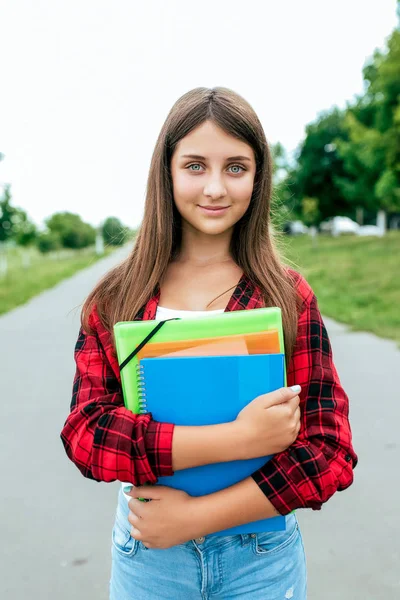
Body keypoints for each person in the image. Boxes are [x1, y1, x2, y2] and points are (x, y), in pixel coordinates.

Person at [60, 87, 357, 599]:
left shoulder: (286, 296)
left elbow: (329, 451)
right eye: (195, 165)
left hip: (261, 558)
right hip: (151, 556)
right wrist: (235, 441)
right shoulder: (117, 299)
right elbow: (87, 434)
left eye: (236, 167)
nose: (215, 187)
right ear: (166, 172)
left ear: (259, 177)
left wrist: (197, 516)